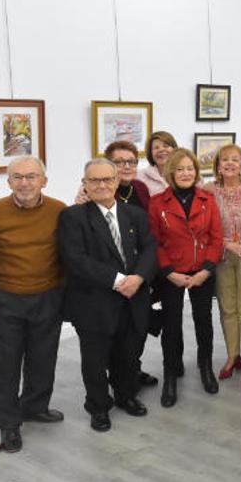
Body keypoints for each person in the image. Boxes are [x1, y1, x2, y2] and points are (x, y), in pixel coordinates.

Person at [58, 158, 157, 432]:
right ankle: (99, 406)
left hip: (132, 299)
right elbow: (75, 259)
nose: (101, 185)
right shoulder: (72, 217)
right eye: (94, 180)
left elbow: (150, 248)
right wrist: (118, 280)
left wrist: (137, 278)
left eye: (107, 179)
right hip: (93, 302)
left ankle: (126, 395)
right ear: (85, 184)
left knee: (128, 354)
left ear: (116, 181)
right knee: (95, 360)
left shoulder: (134, 214)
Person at [0, 156, 66, 453]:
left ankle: (34, 406)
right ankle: (8, 424)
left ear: (44, 180)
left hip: (48, 295)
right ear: (8, 182)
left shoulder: (60, 211)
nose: (24, 183)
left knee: (43, 358)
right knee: (7, 365)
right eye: (17, 177)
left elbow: (68, 253)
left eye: (31, 176)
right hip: (7, 300)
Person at [75, 141, 157, 387]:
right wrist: (120, 280)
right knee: (102, 347)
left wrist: (139, 277)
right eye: (119, 162)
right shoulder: (84, 203)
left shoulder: (140, 189)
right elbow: (80, 254)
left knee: (132, 339)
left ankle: (129, 379)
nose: (126, 166)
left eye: (131, 161)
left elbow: (148, 242)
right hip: (102, 285)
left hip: (137, 280)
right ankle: (106, 393)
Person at [148, 148, 223, 406]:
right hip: (171, 274)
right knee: (171, 323)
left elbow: (216, 237)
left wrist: (206, 270)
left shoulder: (207, 199)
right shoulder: (158, 203)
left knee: (204, 320)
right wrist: (169, 272)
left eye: (189, 168)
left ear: (196, 171)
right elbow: (154, 242)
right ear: (171, 172)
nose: (185, 173)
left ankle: (205, 367)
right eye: (179, 169)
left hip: (203, 271)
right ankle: (171, 373)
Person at [205, 144, 241, 381]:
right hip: (222, 258)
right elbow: (205, 227)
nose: (229, 163)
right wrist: (229, 244)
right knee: (227, 308)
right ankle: (232, 356)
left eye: (235, 160)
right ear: (218, 166)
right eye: (224, 160)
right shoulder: (208, 190)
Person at [137, 131, 178, 196]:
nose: (161, 150)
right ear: (150, 153)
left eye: (166, 146)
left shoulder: (185, 173)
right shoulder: (139, 177)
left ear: (174, 149)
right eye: (156, 148)